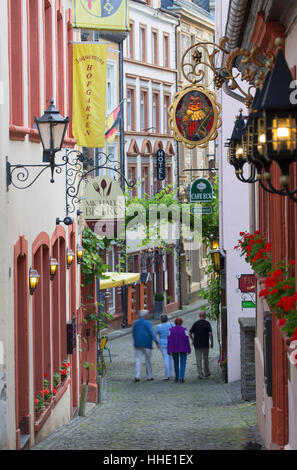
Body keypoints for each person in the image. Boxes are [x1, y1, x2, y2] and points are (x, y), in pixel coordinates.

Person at [132, 310, 160, 382]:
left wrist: (135, 340)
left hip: (138, 344)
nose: (148, 315)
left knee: (138, 360)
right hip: (147, 344)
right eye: (147, 314)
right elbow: (152, 333)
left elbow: (133, 333)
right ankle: (149, 376)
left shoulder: (135, 323)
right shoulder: (148, 323)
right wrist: (156, 342)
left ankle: (137, 376)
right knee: (148, 360)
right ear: (145, 315)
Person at [189, 310, 213, 379]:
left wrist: (193, 340)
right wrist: (212, 342)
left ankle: (200, 374)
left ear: (199, 316)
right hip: (205, 344)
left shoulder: (195, 323)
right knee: (206, 359)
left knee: (198, 359)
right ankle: (207, 372)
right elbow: (210, 334)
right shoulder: (207, 323)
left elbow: (190, 333)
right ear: (205, 316)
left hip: (197, 344)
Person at [167, 317, 191, 383]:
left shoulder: (171, 330)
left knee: (176, 363)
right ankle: (181, 377)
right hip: (183, 348)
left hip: (174, 348)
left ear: (175, 323)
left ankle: (177, 376)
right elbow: (187, 340)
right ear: (181, 323)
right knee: (183, 363)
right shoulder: (184, 330)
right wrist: (188, 349)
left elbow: (169, 340)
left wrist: (169, 350)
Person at [155, 314, 175, 380]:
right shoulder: (171, 324)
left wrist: (157, 343)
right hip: (171, 342)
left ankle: (167, 375)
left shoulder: (159, 326)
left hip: (162, 343)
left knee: (165, 358)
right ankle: (170, 373)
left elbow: (155, 335)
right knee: (170, 358)